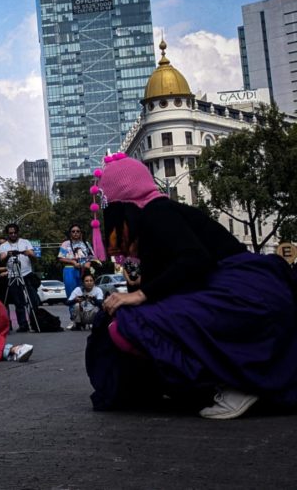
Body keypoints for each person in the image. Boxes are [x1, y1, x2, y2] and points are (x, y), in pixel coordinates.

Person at [84, 155, 297, 419]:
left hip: (245, 296)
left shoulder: (157, 213)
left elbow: (194, 259)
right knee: (125, 318)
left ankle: (235, 382)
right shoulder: (160, 211)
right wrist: (143, 288)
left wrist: (141, 293)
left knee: (127, 324)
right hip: (252, 292)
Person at [0, 223, 40, 332]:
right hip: (13, 275)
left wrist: (28, 253)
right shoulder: (4, 245)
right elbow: (2, 259)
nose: (12, 235)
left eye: (14, 232)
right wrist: (9, 254)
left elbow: (35, 258)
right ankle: (23, 325)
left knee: (33, 300)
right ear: (7, 234)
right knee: (19, 302)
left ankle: (34, 323)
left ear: (18, 233)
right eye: (10, 233)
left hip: (27, 274)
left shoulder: (25, 242)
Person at [58, 224, 94, 299]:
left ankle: (85, 310)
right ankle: (73, 310)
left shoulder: (86, 243)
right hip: (70, 270)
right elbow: (60, 258)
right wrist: (73, 262)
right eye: (73, 231)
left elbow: (92, 256)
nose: (75, 233)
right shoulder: (65, 244)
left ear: (81, 233)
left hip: (84, 270)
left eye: (78, 231)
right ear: (70, 233)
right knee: (72, 294)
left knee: (85, 292)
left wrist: (88, 262)